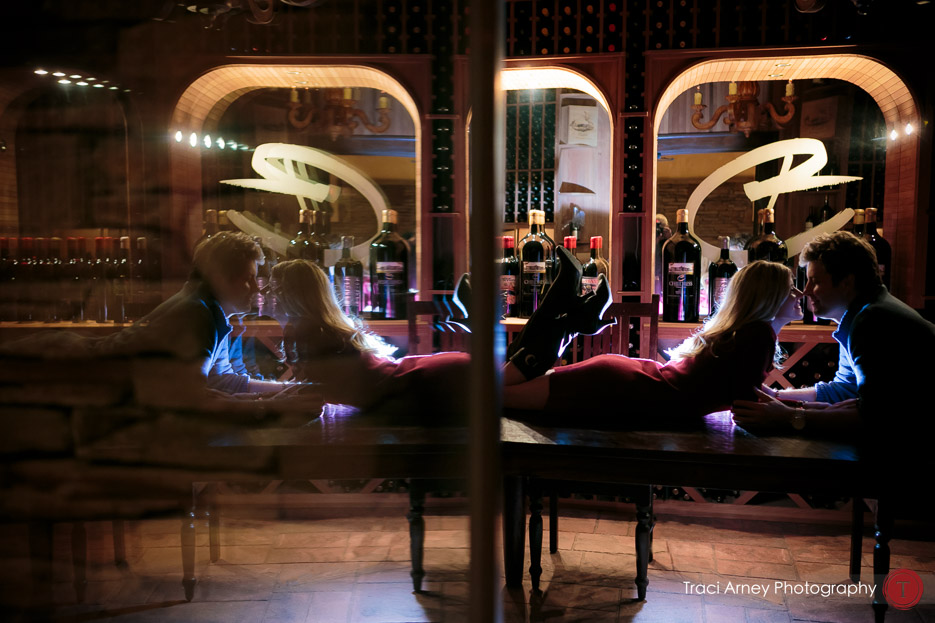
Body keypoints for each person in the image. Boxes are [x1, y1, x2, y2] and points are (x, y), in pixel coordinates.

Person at [502, 253, 804, 423]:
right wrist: (815, 412)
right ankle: (560, 319)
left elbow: (758, 395)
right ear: (772, 298)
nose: (800, 295)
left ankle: (560, 316)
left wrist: (816, 407)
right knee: (493, 397)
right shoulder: (757, 336)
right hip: (624, 390)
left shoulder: (743, 335)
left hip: (627, 382)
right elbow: (751, 408)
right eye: (792, 289)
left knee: (499, 391)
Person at [2, 231, 288, 395]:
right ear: (222, 278)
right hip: (55, 369)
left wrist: (291, 389)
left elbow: (222, 381)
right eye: (248, 278)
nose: (256, 287)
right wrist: (277, 403)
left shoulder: (213, 313)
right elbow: (197, 397)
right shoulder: (197, 317)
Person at [732, 230, 935, 436]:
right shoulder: (860, 316)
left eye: (815, 281)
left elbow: (873, 418)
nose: (806, 291)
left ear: (847, 282)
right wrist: (777, 396)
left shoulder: (873, 320)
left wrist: (787, 417)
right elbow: (845, 390)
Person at [266, 259, 470, 418]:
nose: (266, 293)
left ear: (291, 295)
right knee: (498, 391)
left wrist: (259, 405)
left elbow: (310, 399)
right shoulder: (317, 331)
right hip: (422, 377)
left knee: (499, 392)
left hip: (424, 383)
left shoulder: (311, 335)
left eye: (274, 288)